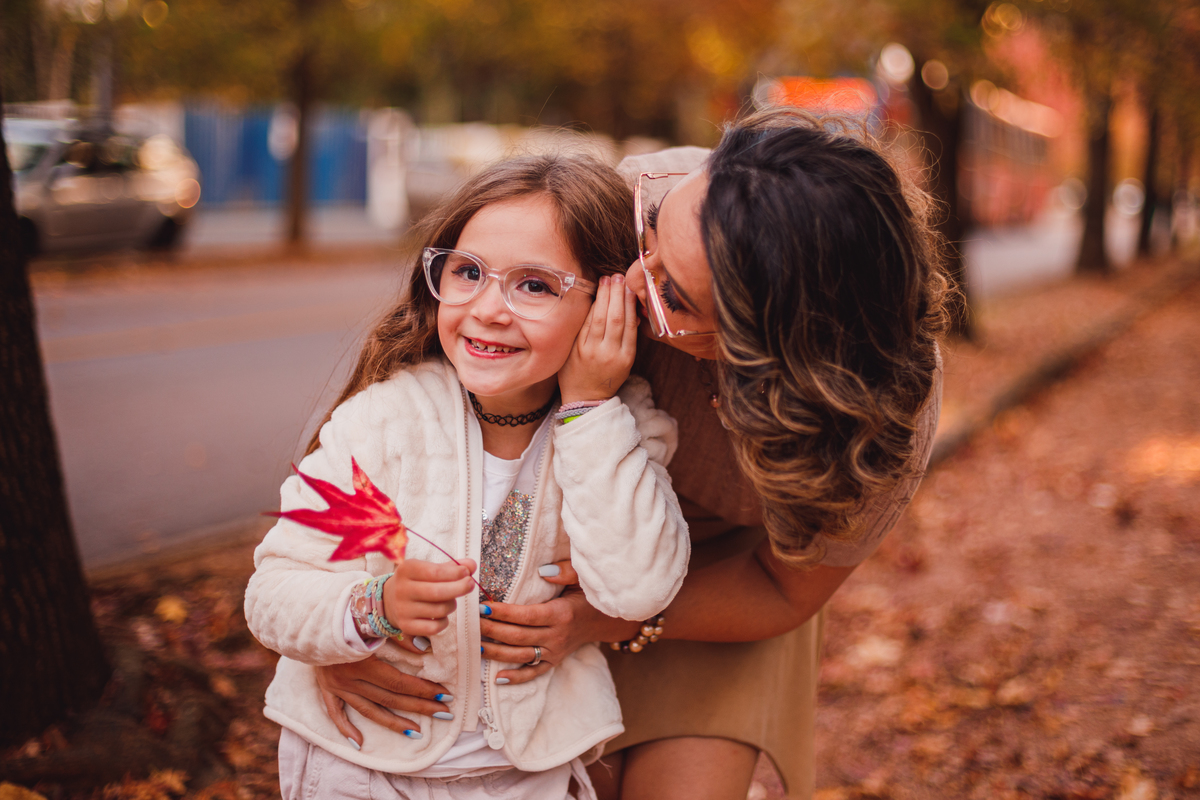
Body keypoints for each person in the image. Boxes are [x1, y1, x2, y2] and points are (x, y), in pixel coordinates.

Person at [313, 109, 948, 799]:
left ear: (764, 356)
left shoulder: (872, 419)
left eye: (674, 296)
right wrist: (331, 625)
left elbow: (781, 586)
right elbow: (391, 403)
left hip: (721, 589)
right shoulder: (631, 199)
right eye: (653, 232)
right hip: (550, 545)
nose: (634, 283)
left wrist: (600, 620)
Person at [244, 154, 691, 800]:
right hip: (362, 764)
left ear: (607, 304)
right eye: (468, 272)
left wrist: (590, 409)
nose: (488, 309)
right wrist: (373, 607)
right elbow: (274, 592)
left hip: (527, 773)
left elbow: (639, 589)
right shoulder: (385, 424)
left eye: (534, 285)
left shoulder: (622, 432)